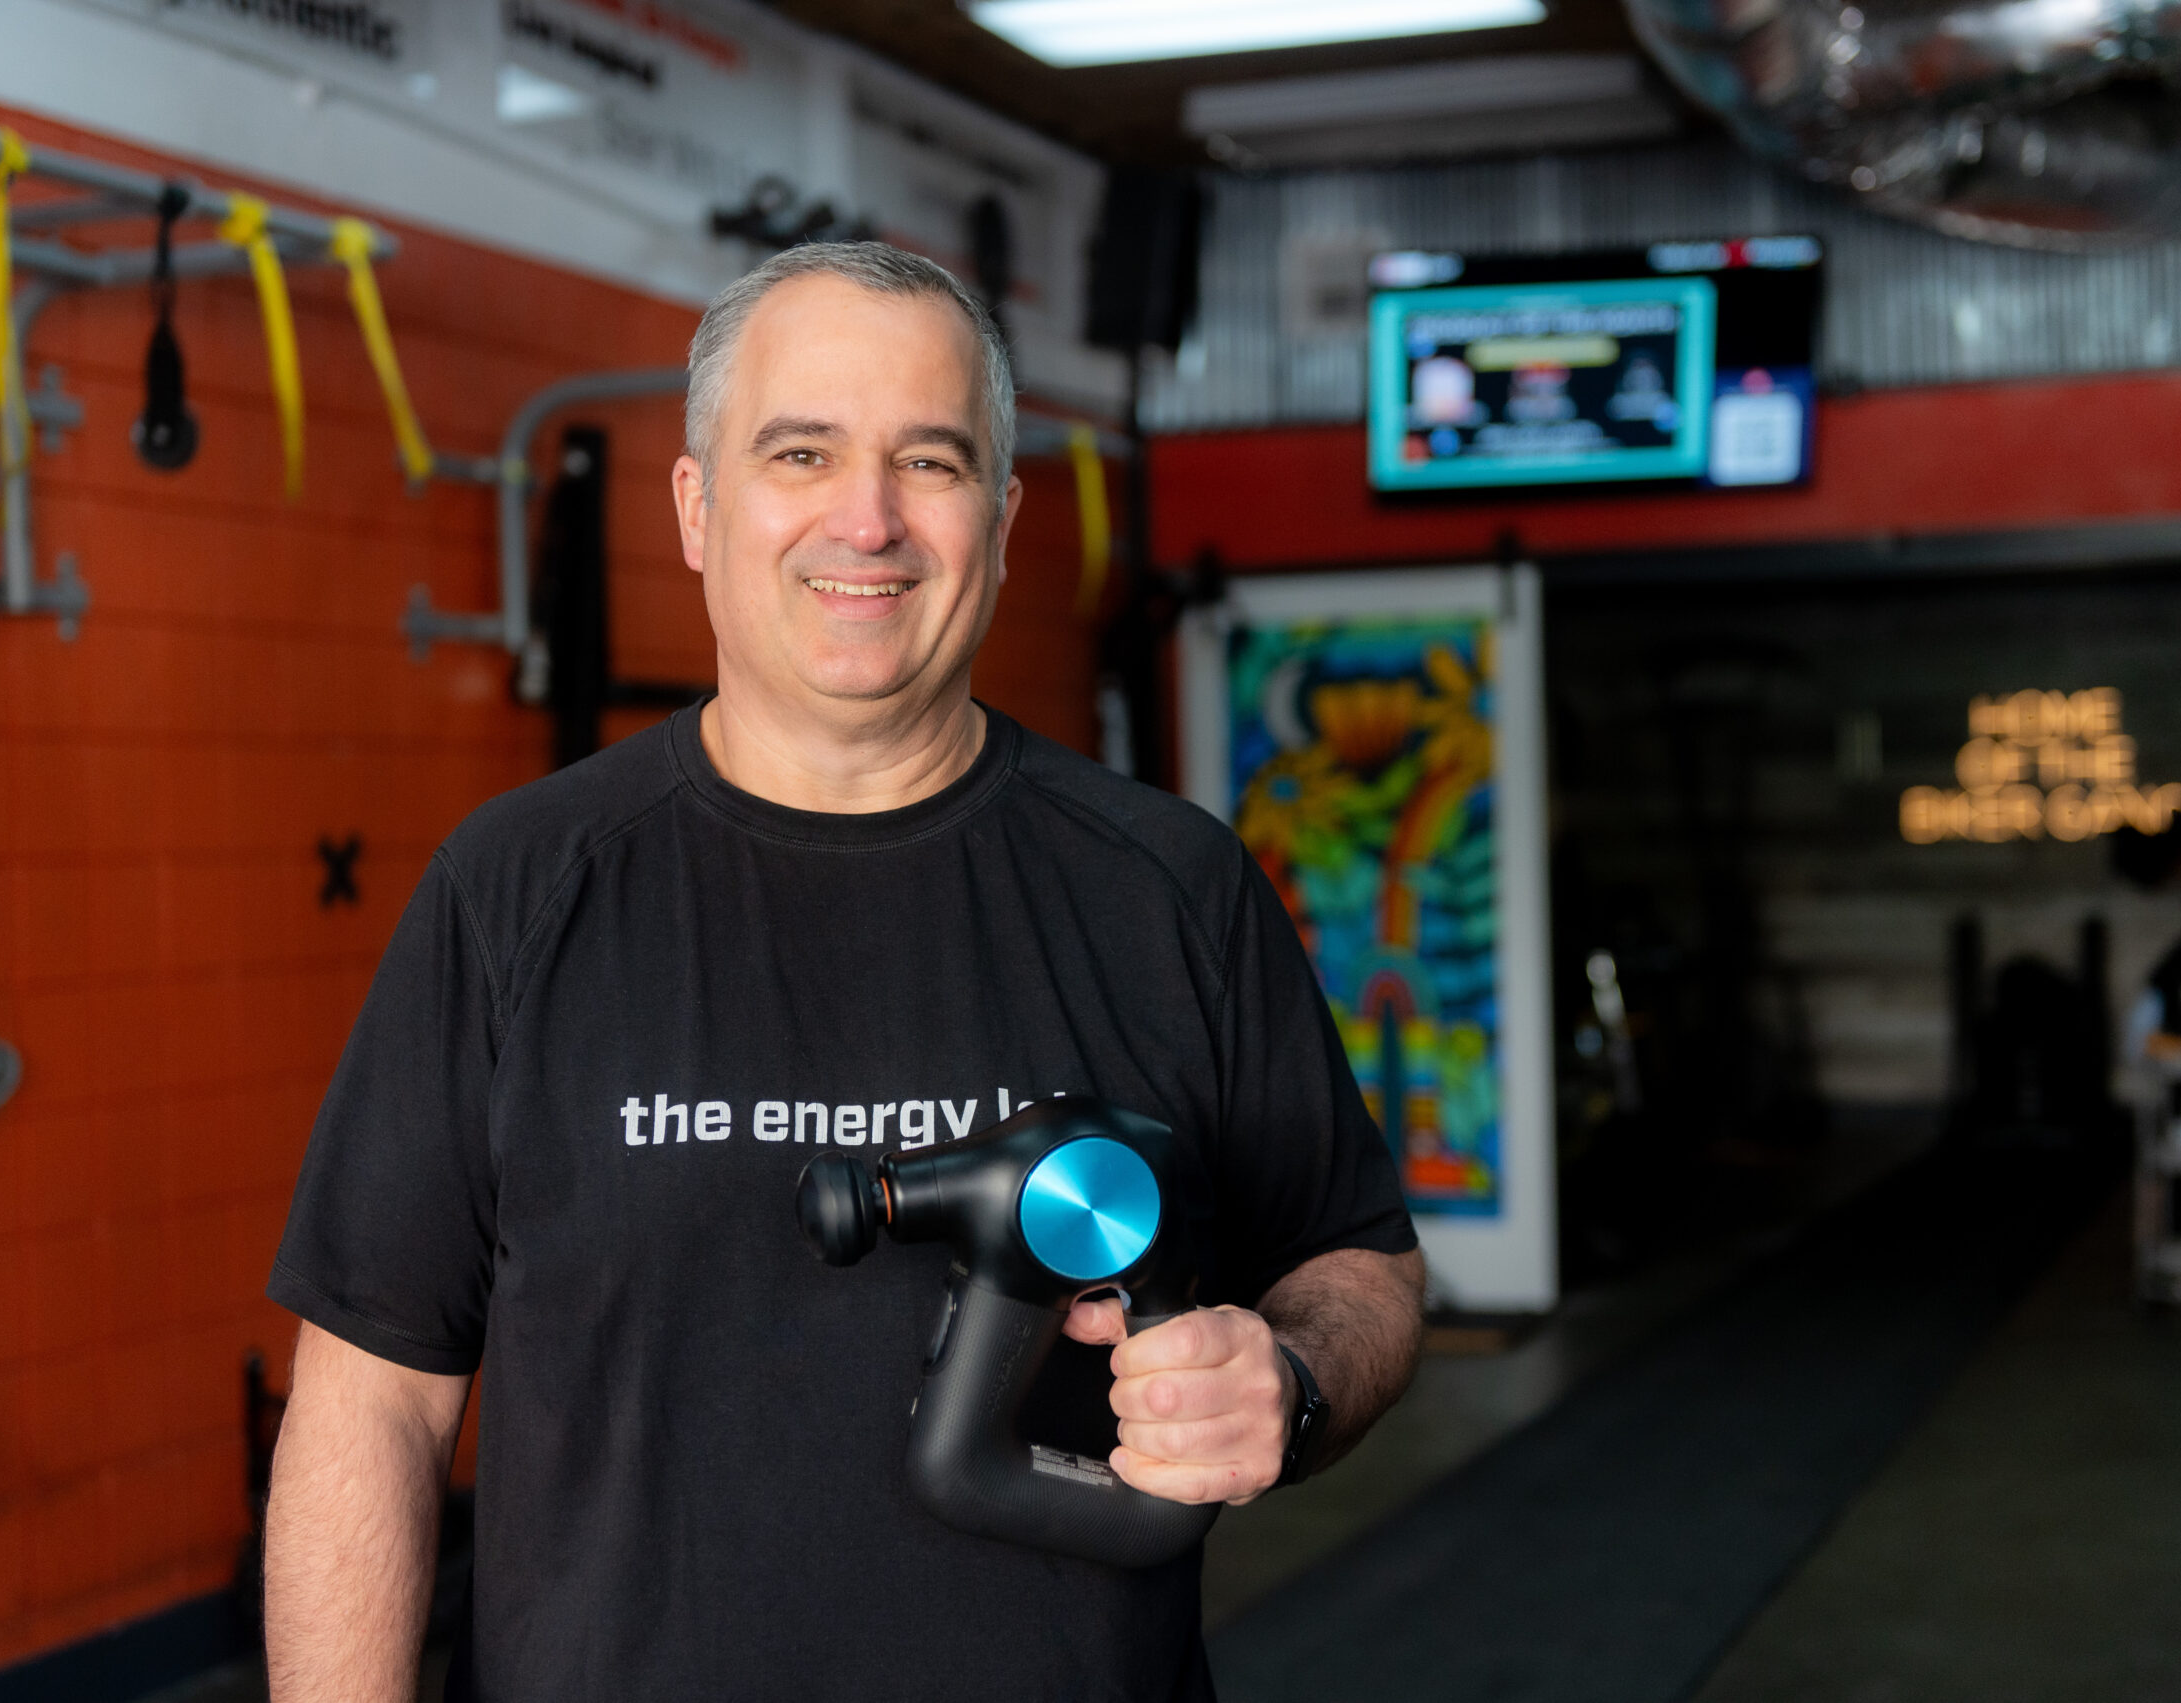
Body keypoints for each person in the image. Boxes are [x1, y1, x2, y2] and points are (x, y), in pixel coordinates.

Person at [262, 242, 1427, 1702]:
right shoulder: (517, 890)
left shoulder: (1167, 888)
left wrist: (1296, 1378)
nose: (866, 522)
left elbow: (1362, 1263)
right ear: (697, 508)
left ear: (999, 521)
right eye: (801, 451)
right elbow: (369, 1402)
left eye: (928, 463)